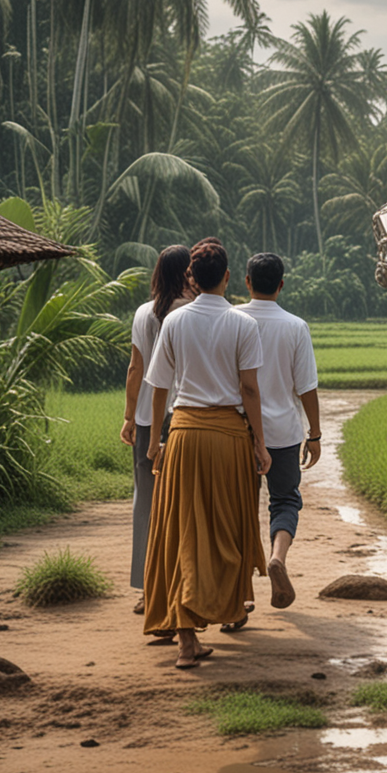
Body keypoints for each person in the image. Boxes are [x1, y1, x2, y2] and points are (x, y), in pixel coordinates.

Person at [142, 238, 271, 668]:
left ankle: (185, 641)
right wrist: (260, 441)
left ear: (191, 279)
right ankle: (218, 609)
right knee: (226, 530)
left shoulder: (175, 322)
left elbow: (159, 385)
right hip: (229, 438)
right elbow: (250, 388)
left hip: (183, 435)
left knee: (182, 531)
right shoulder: (242, 324)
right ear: (229, 277)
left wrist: (156, 441)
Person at [239, 253, 321, 614]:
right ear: (282, 284)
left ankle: (242, 592)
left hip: (239, 432)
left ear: (246, 281)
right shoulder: (295, 326)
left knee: (238, 509)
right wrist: (315, 434)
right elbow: (307, 388)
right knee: (285, 501)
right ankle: (277, 557)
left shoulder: (232, 319)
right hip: (284, 434)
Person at [119, 245, 193, 620]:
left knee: (146, 504)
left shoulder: (143, 313)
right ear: (187, 273)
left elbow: (136, 369)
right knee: (185, 504)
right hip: (183, 417)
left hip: (149, 418)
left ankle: (148, 590)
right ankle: (185, 585)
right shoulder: (191, 312)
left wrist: (130, 417)